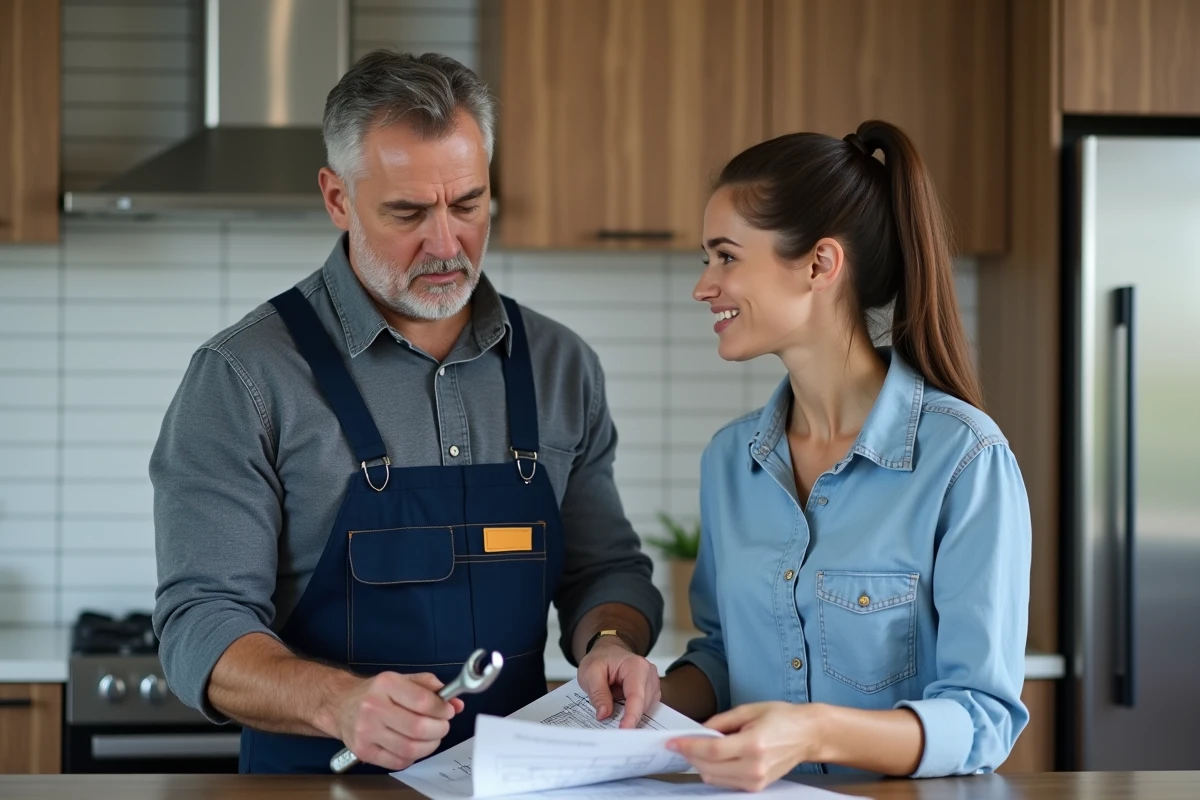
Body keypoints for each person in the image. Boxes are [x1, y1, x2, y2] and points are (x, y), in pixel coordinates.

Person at [150, 51, 663, 775]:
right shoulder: (244, 377)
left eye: (468, 204)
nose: (447, 244)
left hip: (511, 788)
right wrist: (339, 703)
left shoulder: (559, 365)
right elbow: (199, 625)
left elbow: (606, 570)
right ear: (337, 198)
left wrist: (610, 640)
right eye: (408, 212)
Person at [658, 121, 1032, 789]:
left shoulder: (964, 459)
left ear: (819, 264)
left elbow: (983, 719)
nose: (704, 286)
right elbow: (721, 658)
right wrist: (639, 702)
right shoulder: (729, 462)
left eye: (725, 257)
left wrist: (815, 730)